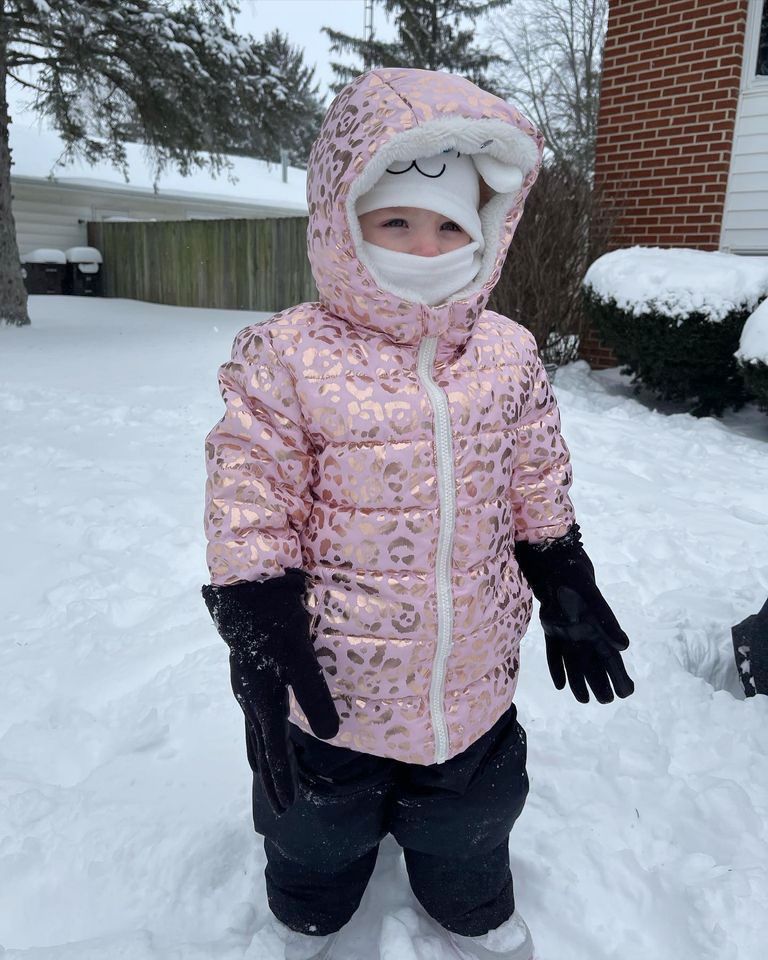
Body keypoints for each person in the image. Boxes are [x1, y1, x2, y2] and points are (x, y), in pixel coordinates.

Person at [202, 68, 635, 960]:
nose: (426, 247)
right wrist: (256, 615)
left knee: (471, 810)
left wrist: (563, 570)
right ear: (343, 218)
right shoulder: (290, 355)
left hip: (468, 670)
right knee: (316, 820)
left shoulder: (507, 354)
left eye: (450, 226)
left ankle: (468, 900)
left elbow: (535, 476)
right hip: (331, 672)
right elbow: (250, 492)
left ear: (486, 232)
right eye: (396, 221)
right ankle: (311, 906)